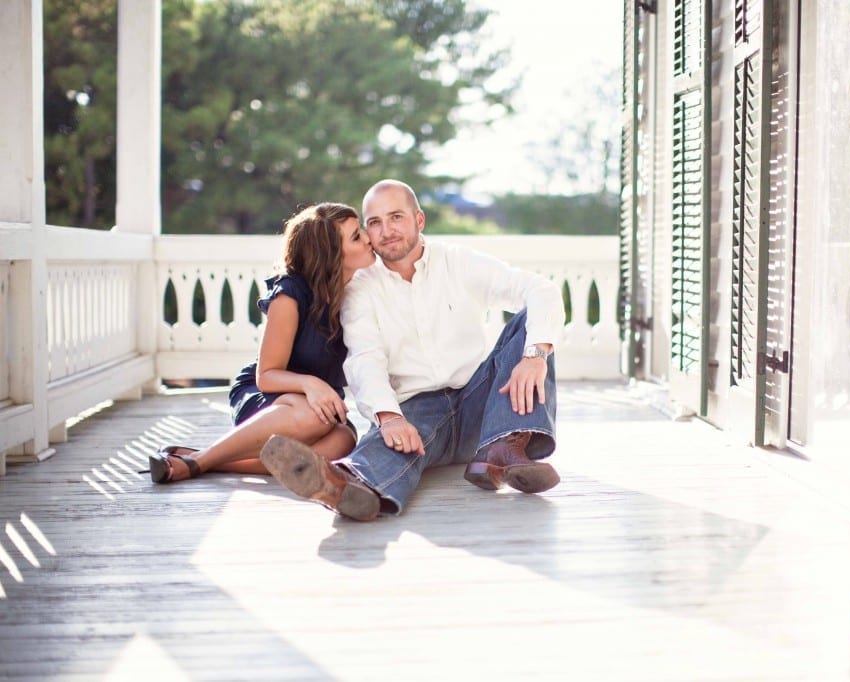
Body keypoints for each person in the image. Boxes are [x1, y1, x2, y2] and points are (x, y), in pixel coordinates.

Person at [260, 179, 565, 521]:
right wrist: (388, 418)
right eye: (374, 223)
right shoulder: (361, 288)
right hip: (417, 414)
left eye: (396, 217)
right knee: (391, 437)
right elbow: (365, 357)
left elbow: (542, 290)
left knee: (530, 324)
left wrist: (534, 356)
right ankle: (347, 485)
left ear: (419, 220)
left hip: (484, 411)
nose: (386, 231)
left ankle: (506, 447)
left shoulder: (458, 261)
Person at [146, 202, 375, 483]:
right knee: (315, 419)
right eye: (356, 236)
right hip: (267, 396)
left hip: (318, 409)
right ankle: (196, 461)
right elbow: (266, 376)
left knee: (343, 442)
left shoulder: (360, 292)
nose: (368, 237)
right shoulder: (290, 295)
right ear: (331, 253)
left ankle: (209, 460)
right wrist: (310, 384)